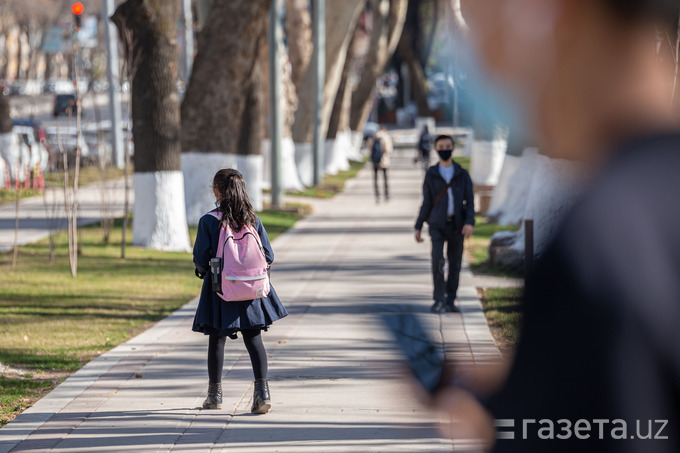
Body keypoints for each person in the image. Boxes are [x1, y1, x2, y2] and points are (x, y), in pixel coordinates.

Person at [432, 0, 680, 451]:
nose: (485, 62)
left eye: (486, 28)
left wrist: (510, 428)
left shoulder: (600, 248)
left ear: (554, 18)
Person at [193, 169, 288, 415]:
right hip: (252, 292)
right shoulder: (252, 220)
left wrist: (204, 270)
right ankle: (262, 393)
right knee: (254, 339)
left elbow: (201, 258)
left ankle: (214, 396)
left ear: (217, 191)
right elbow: (268, 255)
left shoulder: (209, 221)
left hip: (220, 290)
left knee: (217, 339)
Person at [414, 135, 475, 313]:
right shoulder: (431, 174)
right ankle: (438, 300)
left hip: (457, 225)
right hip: (437, 225)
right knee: (437, 261)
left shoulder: (462, 174)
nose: (444, 149)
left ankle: (450, 300)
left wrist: (469, 222)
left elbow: (470, 202)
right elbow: (426, 202)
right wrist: (418, 226)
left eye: (448, 146)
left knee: (455, 264)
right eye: (441, 146)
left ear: (453, 148)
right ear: (436, 149)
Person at [367, 125, 393, 203]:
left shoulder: (373, 137)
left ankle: (377, 195)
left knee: (375, 178)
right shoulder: (386, 137)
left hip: (375, 161)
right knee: (385, 178)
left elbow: (369, 147)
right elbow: (388, 149)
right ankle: (386, 195)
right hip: (384, 160)